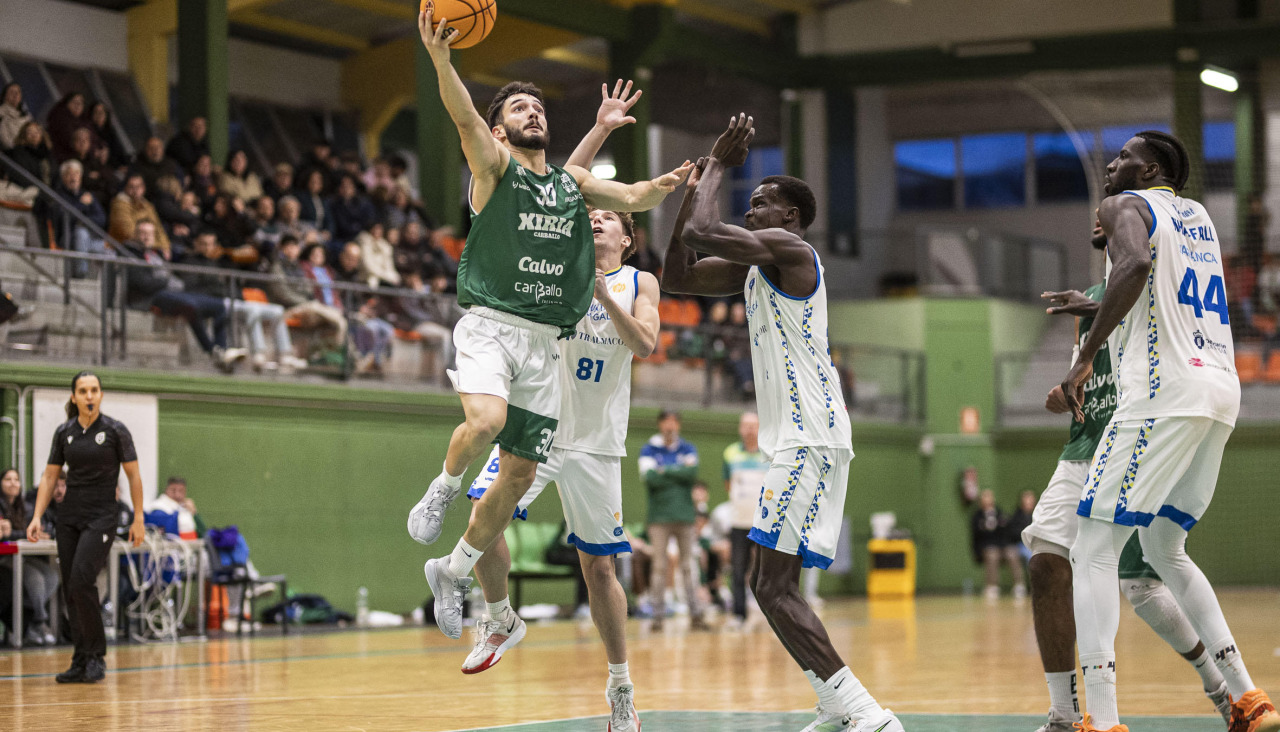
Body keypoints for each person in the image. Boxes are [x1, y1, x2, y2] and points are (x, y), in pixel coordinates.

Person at [406, 6, 689, 664]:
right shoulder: (492, 169)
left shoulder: (570, 185)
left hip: (542, 343)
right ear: (501, 131)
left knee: (517, 473)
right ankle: (444, 488)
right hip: (489, 326)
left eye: (538, 106)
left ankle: (466, 585)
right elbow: (462, 116)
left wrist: (672, 183)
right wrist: (443, 62)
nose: (532, 111)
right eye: (520, 108)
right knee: (484, 423)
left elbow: (637, 197)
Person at [663, 114, 902, 732]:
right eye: (752, 201)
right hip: (795, 439)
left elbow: (702, 231)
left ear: (792, 218)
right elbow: (677, 275)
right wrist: (693, 191)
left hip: (810, 432)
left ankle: (864, 712)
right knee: (770, 583)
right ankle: (835, 700)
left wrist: (718, 165)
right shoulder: (754, 268)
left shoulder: (791, 251)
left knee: (769, 586)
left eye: (763, 203)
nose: (752, 211)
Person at [1059, 130, 1279, 732]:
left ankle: (1101, 719)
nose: (1111, 164)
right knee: (1163, 547)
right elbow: (1155, 287)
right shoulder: (1199, 217)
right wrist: (1094, 306)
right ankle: (1247, 696)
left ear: (1149, 168)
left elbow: (1134, 263)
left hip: (1163, 392)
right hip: (1219, 392)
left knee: (1093, 544)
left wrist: (1084, 357)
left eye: (1124, 156)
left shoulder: (1121, 206)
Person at [459, 201, 659, 732]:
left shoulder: (640, 281)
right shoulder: (556, 265)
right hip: (539, 430)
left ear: (628, 238)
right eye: (589, 213)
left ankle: (620, 686)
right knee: (483, 511)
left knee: (599, 569)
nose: (596, 219)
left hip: (596, 443)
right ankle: (500, 618)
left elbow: (646, 342)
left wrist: (601, 298)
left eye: (609, 217)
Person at [1029, 268, 1233, 731]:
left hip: (1135, 445)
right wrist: (1065, 393)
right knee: (1045, 562)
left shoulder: (1152, 282)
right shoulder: (1088, 300)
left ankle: (1221, 688)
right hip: (1082, 447)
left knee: (1142, 586)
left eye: (1113, 197)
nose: (1104, 209)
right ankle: (1064, 715)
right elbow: (1088, 376)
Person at [27, 372, 145, 683]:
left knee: (82, 578)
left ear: (101, 395)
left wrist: (138, 518)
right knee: (71, 587)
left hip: (102, 516)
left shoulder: (116, 431)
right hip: (70, 517)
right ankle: (80, 658)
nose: (89, 395)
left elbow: (134, 477)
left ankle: (96, 656)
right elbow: (50, 476)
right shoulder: (64, 432)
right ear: (74, 397)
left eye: (94, 390)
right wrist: (37, 515)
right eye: (83, 391)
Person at [639, 409, 706, 630]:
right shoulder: (648, 449)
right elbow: (649, 479)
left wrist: (663, 471)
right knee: (659, 566)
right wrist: (677, 471)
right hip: (659, 518)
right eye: (666, 422)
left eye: (674, 422)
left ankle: (696, 615)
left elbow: (691, 474)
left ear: (679, 425)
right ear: (660, 424)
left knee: (689, 566)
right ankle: (657, 617)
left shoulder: (688, 447)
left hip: (685, 516)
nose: (670, 426)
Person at [1, 468, 59, 646]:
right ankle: (39, 621)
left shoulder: (24, 506)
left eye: (16, 479)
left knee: (51, 576)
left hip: (22, 556)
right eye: (8, 479)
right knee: (35, 579)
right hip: (5, 558)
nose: (13, 483)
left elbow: (36, 529)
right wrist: (21, 534)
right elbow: (5, 536)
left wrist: (41, 533)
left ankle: (30, 616)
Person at [722, 411, 768, 624]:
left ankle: (770, 615)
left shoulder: (769, 452)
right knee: (738, 570)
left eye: (753, 425)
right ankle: (739, 614)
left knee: (766, 571)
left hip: (763, 525)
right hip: (739, 522)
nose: (750, 429)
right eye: (746, 425)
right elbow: (727, 485)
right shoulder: (730, 453)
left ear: (760, 428)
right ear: (740, 429)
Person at [51, 160, 107, 279]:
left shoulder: (87, 195)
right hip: (67, 237)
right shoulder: (58, 195)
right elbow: (64, 217)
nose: (73, 178)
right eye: (69, 174)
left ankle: (108, 285)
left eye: (76, 174)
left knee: (108, 249)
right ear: (63, 177)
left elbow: (102, 219)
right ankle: (81, 273)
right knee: (81, 233)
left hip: (88, 239)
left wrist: (83, 221)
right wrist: (81, 205)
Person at [970, 489, 1025, 600]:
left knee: (1012, 553)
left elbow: (1007, 530)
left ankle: (1019, 585)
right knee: (992, 554)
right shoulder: (977, 517)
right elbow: (976, 536)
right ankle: (992, 586)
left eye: (989, 497)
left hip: (1002, 546)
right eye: (985, 497)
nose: (988, 500)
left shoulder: (1000, 513)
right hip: (987, 547)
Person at [109, 173, 171, 255]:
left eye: (138, 186)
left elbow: (158, 228)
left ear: (143, 188)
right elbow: (129, 233)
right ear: (125, 188)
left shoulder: (147, 205)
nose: (135, 190)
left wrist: (165, 246)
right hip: (123, 249)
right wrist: (156, 245)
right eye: (131, 187)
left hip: (147, 249)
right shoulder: (120, 204)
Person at [0, 82, 33, 151]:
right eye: (12, 92)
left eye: (18, 92)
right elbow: (6, 142)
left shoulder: (25, 114)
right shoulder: (1, 114)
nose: (16, 95)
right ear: (4, 96)